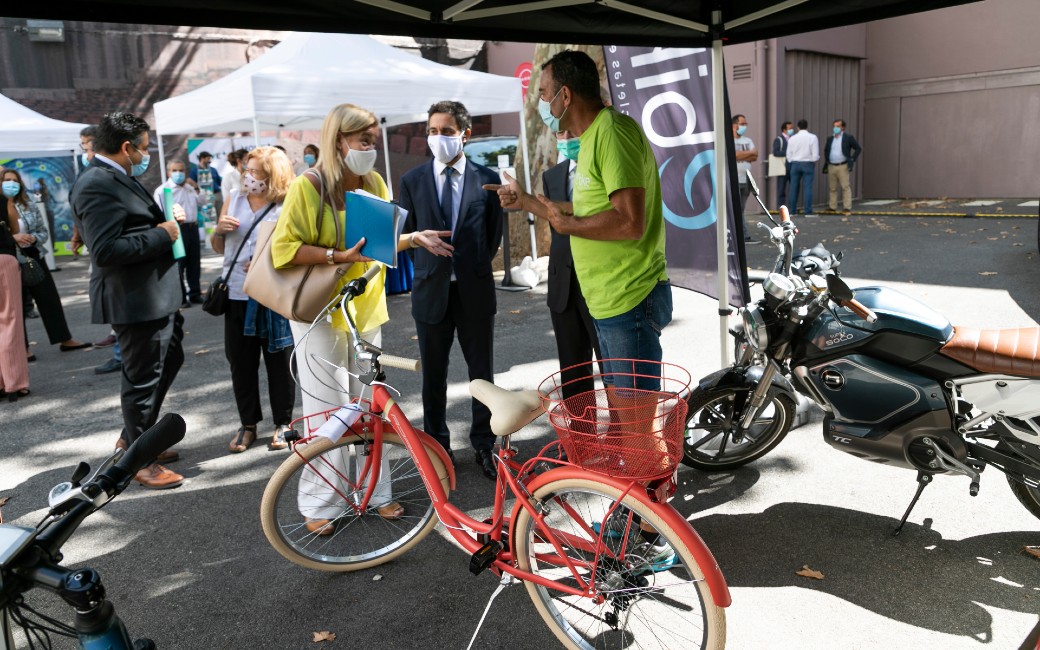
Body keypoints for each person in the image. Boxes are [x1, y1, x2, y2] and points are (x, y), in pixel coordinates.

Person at [487, 49, 675, 568]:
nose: (543, 102)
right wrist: (528, 202)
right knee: (631, 424)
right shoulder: (594, 138)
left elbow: (629, 221)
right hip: (613, 301)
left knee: (638, 428)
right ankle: (644, 519)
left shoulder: (611, 133)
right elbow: (588, 208)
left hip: (627, 300)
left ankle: (653, 532)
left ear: (566, 94)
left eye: (545, 93)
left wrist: (564, 227)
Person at [272, 103, 446, 531]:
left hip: (365, 310)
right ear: (339, 141)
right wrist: (336, 255)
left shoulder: (373, 180)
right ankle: (321, 504)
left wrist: (410, 239)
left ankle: (377, 492)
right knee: (326, 410)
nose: (371, 148)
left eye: (373, 139)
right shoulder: (308, 186)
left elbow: (378, 244)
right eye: (364, 140)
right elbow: (283, 250)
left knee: (370, 407)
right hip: (319, 313)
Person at [70, 111, 185, 489]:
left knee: (168, 360)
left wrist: (165, 222)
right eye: (144, 149)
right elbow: (105, 249)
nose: (145, 155)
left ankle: (135, 439)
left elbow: (130, 225)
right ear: (125, 147)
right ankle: (140, 459)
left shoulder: (113, 177)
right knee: (141, 380)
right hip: (135, 299)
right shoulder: (96, 183)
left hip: (153, 294)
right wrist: (163, 234)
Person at [398, 100, 504, 480]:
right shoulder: (412, 181)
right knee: (433, 377)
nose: (437, 137)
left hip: (474, 291)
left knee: (482, 375)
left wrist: (469, 266)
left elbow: (492, 238)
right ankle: (437, 447)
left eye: (445, 131)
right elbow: (404, 236)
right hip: (430, 292)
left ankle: (484, 444)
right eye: (432, 131)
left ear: (465, 134)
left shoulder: (487, 178)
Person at [211, 146, 296, 453]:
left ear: (274, 175)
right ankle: (247, 424)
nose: (248, 176)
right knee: (241, 363)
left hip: (272, 295)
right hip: (236, 294)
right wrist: (218, 231)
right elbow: (218, 247)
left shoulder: (287, 204)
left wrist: (268, 260)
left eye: (255, 172)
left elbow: (298, 248)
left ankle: (283, 423)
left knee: (280, 362)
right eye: (246, 169)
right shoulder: (234, 198)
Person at [2, 168, 91, 359]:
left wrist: (32, 238)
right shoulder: (1, 206)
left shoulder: (29, 204)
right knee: (16, 305)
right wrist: (13, 238)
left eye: (15, 180)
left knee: (49, 299)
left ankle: (64, 339)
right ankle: (23, 348)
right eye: (7, 180)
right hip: (10, 258)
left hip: (34, 254)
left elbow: (43, 231)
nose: (11, 184)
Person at [543, 130, 601, 400]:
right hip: (563, 285)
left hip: (601, 283)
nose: (565, 137)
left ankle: (619, 438)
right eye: (559, 132)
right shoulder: (552, 176)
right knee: (573, 371)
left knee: (612, 369)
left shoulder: (603, 166)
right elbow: (557, 231)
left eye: (571, 131)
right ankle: (580, 439)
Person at [153, 160, 202, 308]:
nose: (178, 173)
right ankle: (181, 297)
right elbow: (159, 212)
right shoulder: (163, 190)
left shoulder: (189, 188)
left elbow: (202, 201)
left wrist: (196, 186)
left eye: (181, 170)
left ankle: (195, 293)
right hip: (177, 228)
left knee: (194, 263)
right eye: (175, 170)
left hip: (193, 228)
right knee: (179, 264)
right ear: (168, 172)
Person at [0, 193, 30, 402]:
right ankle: (15, 383)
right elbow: (15, 229)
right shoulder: (3, 199)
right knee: (10, 319)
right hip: (3, 259)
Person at [823, 119, 862, 215]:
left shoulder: (848, 137)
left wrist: (852, 158)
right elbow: (826, 150)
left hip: (843, 165)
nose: (835, 128)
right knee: (832, 188)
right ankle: (832, 207)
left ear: (843, 127)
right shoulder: (830, 139)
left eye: (838, 126)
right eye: (834, 126)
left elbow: (858, 148)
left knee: (845, 186)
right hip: (831, 165)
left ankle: (847, 207)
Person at [732, 114, 758, 243]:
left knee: (741, 209)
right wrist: (747, 154)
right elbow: (733, 156)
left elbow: (755, 156)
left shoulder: (747, 140)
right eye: (742, 124)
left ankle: (741, 235)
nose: (744, 126)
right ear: (734, 125)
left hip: (746, 179)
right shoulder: (728, 140)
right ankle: (744, 236)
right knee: (737, 208)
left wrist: (739, 155)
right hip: (734, 179)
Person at [786, 119, 819, 218]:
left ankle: (792, 211)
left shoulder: (792, 138)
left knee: (793, 187)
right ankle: (808, 211)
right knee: (807, 187)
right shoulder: (812, 137)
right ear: (807, 126)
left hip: (795, 163)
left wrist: (792, 160)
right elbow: (815, 154)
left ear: (798, 127)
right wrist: (813, 161)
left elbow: (788, 154)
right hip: (808, 163)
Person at [773, 121, 794, 209]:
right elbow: (776, 152)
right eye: (790, 128)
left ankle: (792, 207)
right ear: (784, 129)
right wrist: (788, 153)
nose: (791, 130)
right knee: (781, 189)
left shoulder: (794, 139)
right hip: (782, 167)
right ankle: (781, 207)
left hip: (792, 166)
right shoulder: (779, 139)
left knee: (793, 188)